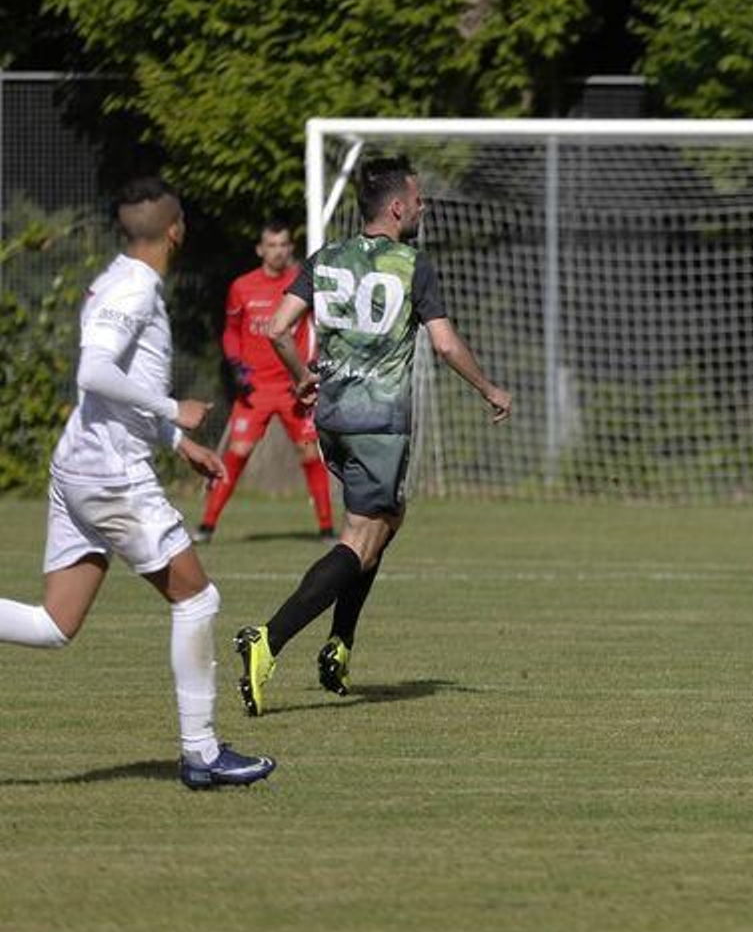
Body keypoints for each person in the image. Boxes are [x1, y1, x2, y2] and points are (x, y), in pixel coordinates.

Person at [0, 177, 275, 789]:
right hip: (110, 476)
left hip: (80, 467)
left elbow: (105, 389)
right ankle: (201, 754)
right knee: (197, 598)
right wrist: (172, 407)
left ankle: (202, 753)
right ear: (175, 230)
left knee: (54, 624)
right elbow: (94, 372)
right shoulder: (136, 286)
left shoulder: (116, 279)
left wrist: (178, 443)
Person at [234, 155, 512, 716]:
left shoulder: (327, 258)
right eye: (418, 198)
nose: (423, 206)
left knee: (385, 519)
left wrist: (301, 376)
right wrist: (490, 389)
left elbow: (279, 328)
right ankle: (269, 639)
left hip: (333, 417)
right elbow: (445, 344)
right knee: (361, 539)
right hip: (378, 422)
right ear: (396, 207)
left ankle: (340, 644)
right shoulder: (412, 265)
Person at [193, 219, 334, 543]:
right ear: (260, 249)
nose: (278, 251)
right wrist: (236, 365)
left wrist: (306, 369)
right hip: (255, 388)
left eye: (284, 245)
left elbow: (315, 329)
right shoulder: (242, 287)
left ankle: (326, 529)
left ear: (290, 248)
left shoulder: (302, 283)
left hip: (292, 388)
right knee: (238, 451)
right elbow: (231, 332)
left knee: (310, 454)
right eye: (271, 245)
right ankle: (206, 526)